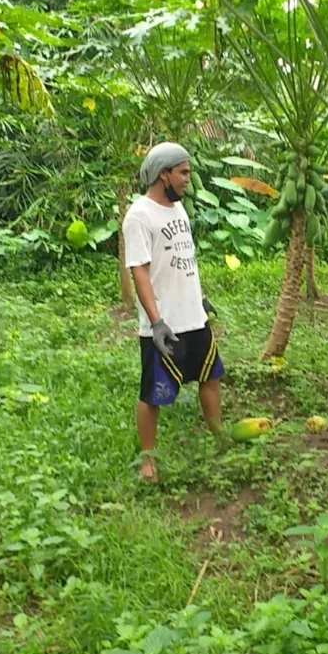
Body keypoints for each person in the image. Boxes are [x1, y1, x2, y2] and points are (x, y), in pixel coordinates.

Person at [124, 142, 223, 481]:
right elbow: (139, 271)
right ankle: (148, 461)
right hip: (165, 324)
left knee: (211, 376)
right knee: (153, 394)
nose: (187, 179)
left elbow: (183, 258)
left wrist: (201, 298)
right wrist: (156, 322)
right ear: (163, 174)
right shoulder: (139, 216)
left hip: (194, 317)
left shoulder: (178, 209)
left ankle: (219, 438)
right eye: (183, 173)